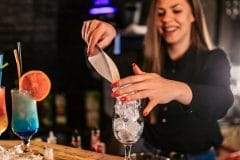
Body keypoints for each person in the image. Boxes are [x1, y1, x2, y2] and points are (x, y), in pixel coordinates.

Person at [81, 0, 234, 159]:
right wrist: (104, 42)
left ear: (193, 15)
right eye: (160, 13)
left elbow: (222, 101)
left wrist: (176, 89)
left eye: (176, 11)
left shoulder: (214, 59)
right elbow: (105, 70)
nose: (167, 18)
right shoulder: (143, 58)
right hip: (150, 154)